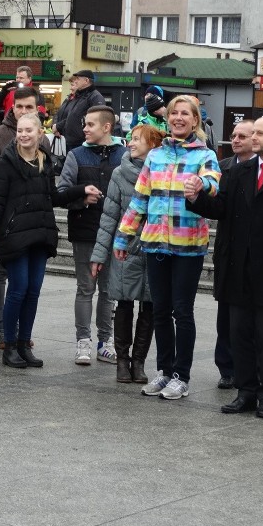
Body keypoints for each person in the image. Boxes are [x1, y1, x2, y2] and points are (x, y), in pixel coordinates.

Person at [186, 116, 263, 419]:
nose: (253, 137)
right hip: (238, 268)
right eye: (251, 132)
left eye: (260, 133)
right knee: (239, 333)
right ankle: (245, 392)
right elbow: (222, 209)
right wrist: (196, 198)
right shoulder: (239, 170)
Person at [113, 95, 221, 400]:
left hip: (188, 245)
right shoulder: (155, 156)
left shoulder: (204, 155)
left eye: (185, 114)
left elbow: (214, 182)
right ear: (168, 118)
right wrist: (123, 237)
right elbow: (140, 200)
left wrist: (202, 186)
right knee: (159, 310)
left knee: (182, 311)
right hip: (155, 244)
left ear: (195, 120)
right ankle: (163, 372)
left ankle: (181, 376)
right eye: (174, 113)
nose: (179, 118)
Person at [0, 113, 86, 368]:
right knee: (18, 290)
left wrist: (81, 191)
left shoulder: (44, 160)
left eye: (29, 130)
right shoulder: (7, 161)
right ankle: (10, 347)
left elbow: (52, 196)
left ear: (40, 133)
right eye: (20, 130)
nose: (24, 134)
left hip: (40, 233)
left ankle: (24, 345)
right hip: (15, 235)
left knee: (33, 291)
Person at [90, 124, 166, 384]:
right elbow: (109, 216)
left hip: (155, 248)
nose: (131, 143)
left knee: (150, 307)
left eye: (137, 139)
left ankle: (139, 362)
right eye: (131, 139)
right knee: (123, 303)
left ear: (153, 144)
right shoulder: (119, 173)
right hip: (126, 249)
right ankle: (122, 362)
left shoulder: (164, 173)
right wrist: (99, 254)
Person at [0, 87, 52, 349]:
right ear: (12, 108)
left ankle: (20, 333)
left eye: (29, 107)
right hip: (6, 220)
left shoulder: (42, 142)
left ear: (37, 110)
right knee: (2, 274)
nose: (23, 111)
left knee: (27, 285)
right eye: (19, 106)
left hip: (33, 223)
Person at [57, 105, 127, 366]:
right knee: (86, 288)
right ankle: (83, 341)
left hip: (116, 234)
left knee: (109, 290)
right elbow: (61, 192)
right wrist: (81, 196)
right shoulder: (76, 155)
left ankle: (105, 342)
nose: (84, 129)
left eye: (90, 125)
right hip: (85, 230)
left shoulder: (124, 155)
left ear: (106, 127)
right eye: (84, 124)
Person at [209, 120, 255, 390]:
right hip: (227, 252)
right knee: (224, 315)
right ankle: (226, 368)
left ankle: (248, 367)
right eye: (233, 136)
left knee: (248, 317)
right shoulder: (223, 167)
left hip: (253, 254)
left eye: (242, 136)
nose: (236, 140)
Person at [54, 69, 106, 153]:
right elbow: (71, 116)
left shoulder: (95, 97)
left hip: (83, 143)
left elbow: (98, 119)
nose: (76, 81)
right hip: (71, 142)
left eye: (78, 79)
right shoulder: (79, 96)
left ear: (86, 81)